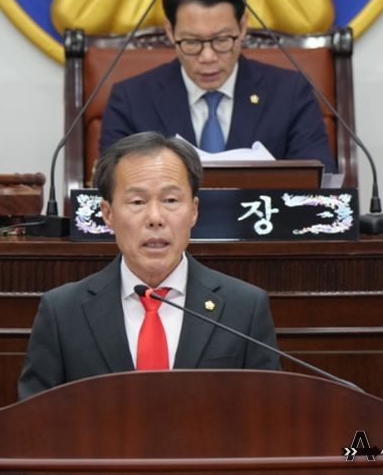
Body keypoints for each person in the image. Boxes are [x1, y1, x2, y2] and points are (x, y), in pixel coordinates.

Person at [18, 132, 279, 399]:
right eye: (138, 202)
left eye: (170, 200)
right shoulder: (62, 312)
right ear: (107, 214)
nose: (155, 218)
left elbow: (269, 413)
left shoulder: (244, 308)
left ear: (193, 211)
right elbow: (34, 418)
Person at [100, 0, 336, 172]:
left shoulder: (290, 92)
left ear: (243, 26)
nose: (208, 57)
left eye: (222, 40)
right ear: (170, 31)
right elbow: (112, 186)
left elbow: (318, 180)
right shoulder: (130, 99)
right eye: (191, 42)